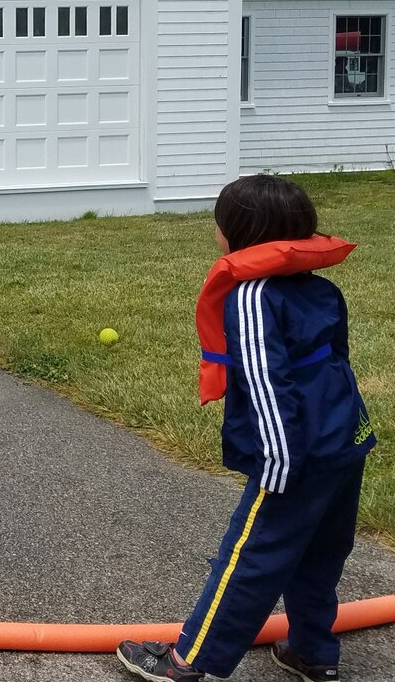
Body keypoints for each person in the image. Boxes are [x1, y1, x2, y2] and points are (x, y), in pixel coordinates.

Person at [116, 174, 377, 682]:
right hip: (344, 443)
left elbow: (264, 381)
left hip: (294, 454)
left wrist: (278, 460)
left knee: (249, 557)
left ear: (237, 232)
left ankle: (190, 662)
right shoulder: (321, 288)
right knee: (320, 556)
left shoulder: (253, 296)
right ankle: (313, 653)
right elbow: (338, 363)